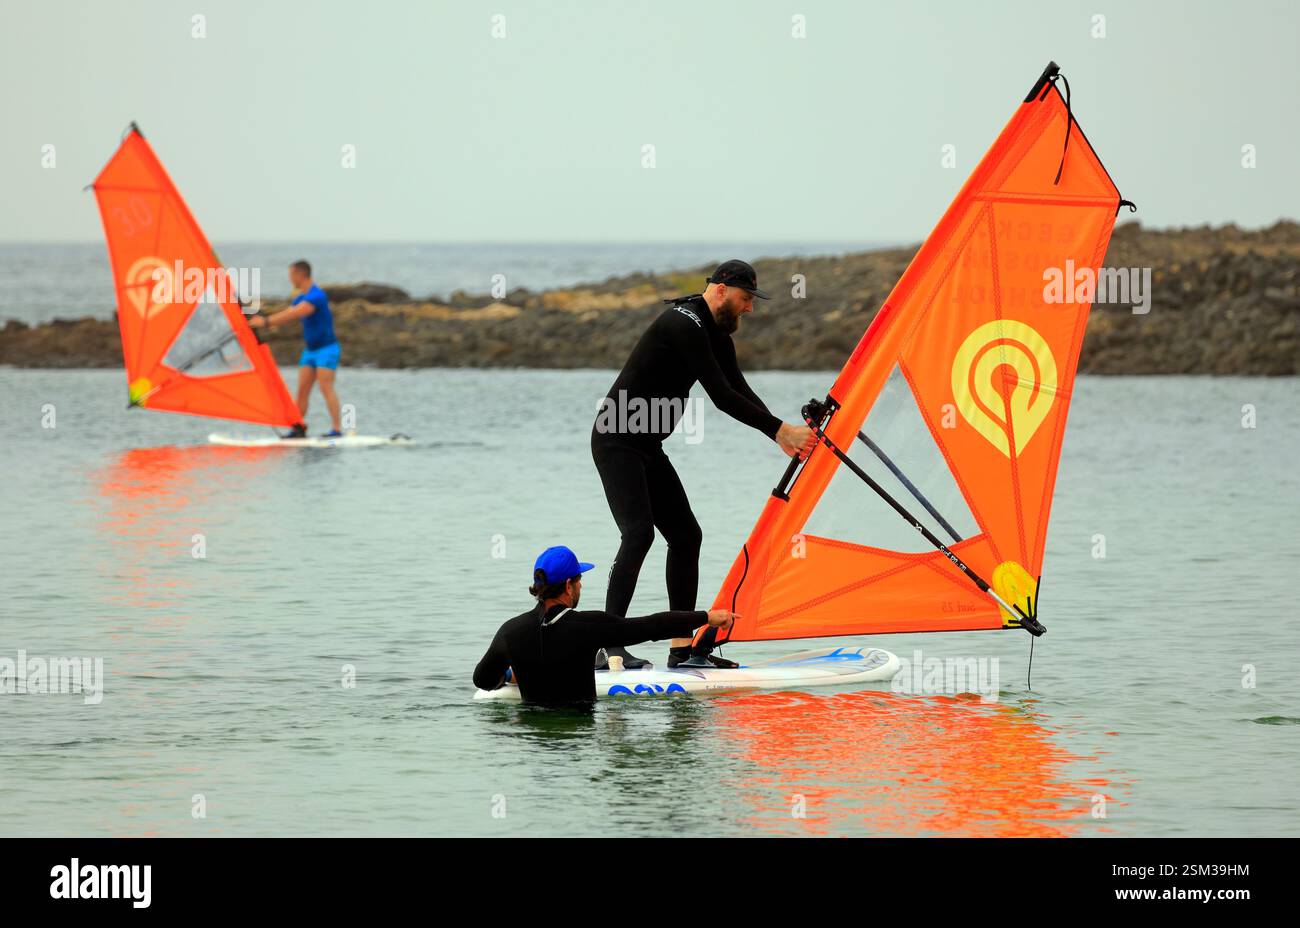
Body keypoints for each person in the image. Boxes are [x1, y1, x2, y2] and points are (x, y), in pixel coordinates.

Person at [590, 260, 815, 670]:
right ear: (722, 290)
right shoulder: (683, 324)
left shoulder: (714, 333)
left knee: (686, 535)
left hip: (646, 444)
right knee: (638, 534)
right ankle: (608, 646)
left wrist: (780, 434)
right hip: (615, 439)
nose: (750, 308)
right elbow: (720, 397)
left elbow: (738, 387)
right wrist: (781, 430)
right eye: (746, 299)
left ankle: (682, 649)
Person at [473, 546, 735, 705]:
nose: (581, 585)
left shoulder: (511, 631)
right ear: (568, 585)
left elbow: (482, 679)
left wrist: (509, 676)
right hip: (580, 737)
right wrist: (706, 617)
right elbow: (650, 626)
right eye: (579, 579)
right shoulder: (589, 625)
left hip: (536, 745)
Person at [248, 260, 343, 438]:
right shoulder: (300, 298)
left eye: (291, 275)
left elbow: (295, 313)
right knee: (302, 390)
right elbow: (288, 312)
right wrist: (254, 314)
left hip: (327, 349)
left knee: (325, 387)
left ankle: (337, 429)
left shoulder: (317, 296)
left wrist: (266, 322)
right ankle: (298, 427)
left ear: (300, 275)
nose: (290, 278)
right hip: (310, 351)